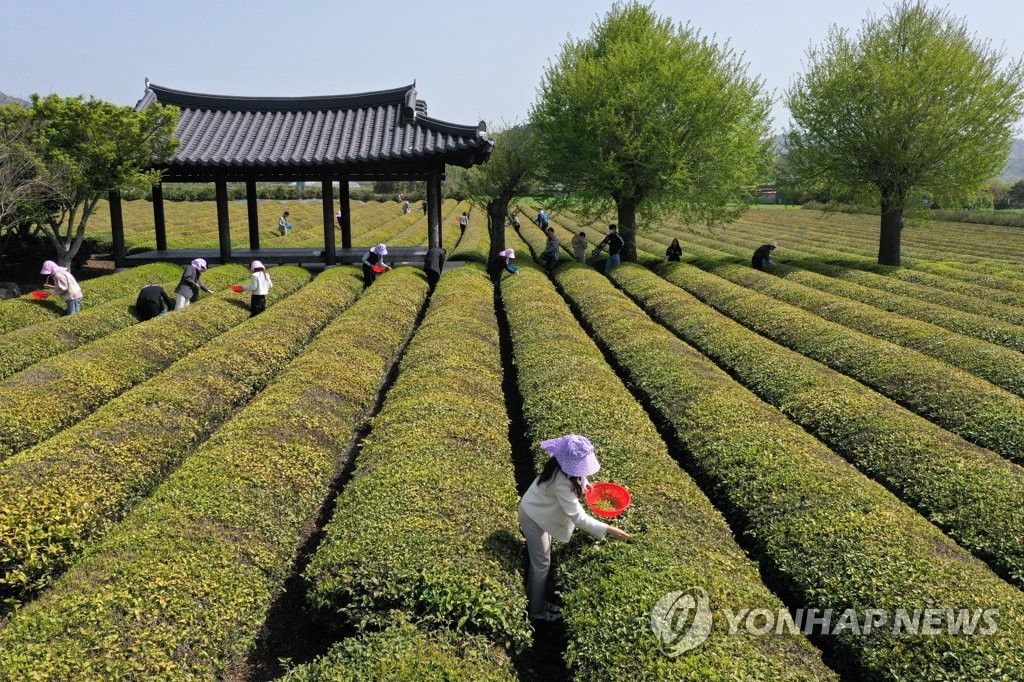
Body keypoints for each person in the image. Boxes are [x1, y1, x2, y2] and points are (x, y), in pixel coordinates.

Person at [518, 434, 630, 622]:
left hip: (537, 511)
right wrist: (609, 529)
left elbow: (577, 474)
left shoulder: (559, 464)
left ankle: (536, 600)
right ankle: (536, 612)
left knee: (540, 563)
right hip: (533, 518)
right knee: (542, 565)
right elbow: (578, 517)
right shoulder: (561, 482)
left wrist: (585, 484)